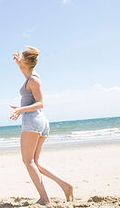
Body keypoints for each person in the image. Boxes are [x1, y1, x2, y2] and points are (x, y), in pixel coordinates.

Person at [10, 46, 73, 205]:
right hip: (39, 122)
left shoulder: (34, 79)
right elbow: (25, 73)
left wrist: (21, 109)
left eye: (22, 60)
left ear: (27, 61)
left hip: (33, 121)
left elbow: (40, 103)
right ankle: (66, 186)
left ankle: (45, 199)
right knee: (35, 162)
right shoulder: (31, 76)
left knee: (28, 161)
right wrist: (19, 63)